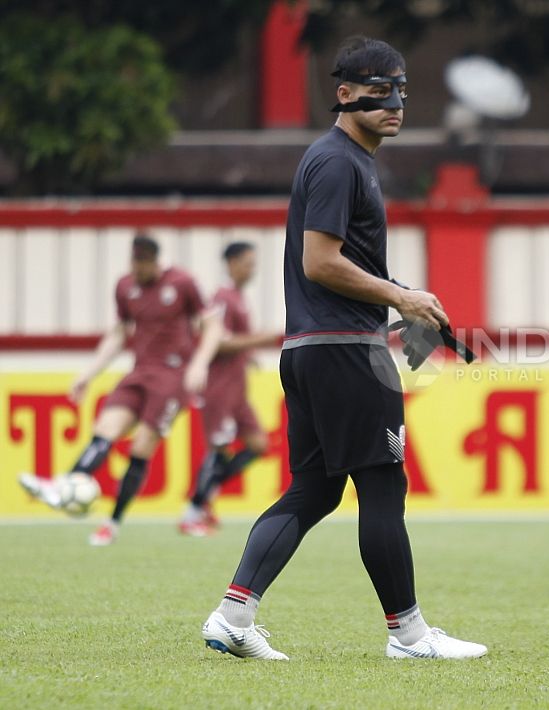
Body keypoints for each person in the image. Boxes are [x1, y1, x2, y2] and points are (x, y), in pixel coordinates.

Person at [199, 36, 487, 661]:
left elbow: (339, 264)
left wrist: (406, 297)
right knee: (382, 485)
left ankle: (233, 615)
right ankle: (408, 635)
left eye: (401, 89)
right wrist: (401, 300)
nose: (394, 101)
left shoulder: (344, 160)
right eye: (379, 88)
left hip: (313, 348)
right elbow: (321, 262)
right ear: (345, 92)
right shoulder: (338, 162)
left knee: (315, 489)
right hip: (345, 353)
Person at [18, 234, 222, 545]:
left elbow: (212, 325)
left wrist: (200, 363)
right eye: (134, 264)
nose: (138, 272)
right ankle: (65, 486)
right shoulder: (125, 286)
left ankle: (111, 523)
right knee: (104, 430)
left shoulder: (182, 282)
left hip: (172, 378)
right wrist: (88, 373)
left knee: (140, 448)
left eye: (144, 265)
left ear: (155, 261)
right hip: (138, 373)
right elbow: (118, 334)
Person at [179, 242, 280, 536]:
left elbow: (234, 341)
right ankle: (192, 513)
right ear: (232, 263)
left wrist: (249, 356)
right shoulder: (222, 298)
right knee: (218, 449)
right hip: (220, 387)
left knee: (258, 445)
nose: (252, 269)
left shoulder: (237, 297)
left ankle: (205, 497)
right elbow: (218, 341)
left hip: (238, 389)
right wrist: (258, 341)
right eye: (248, 263)